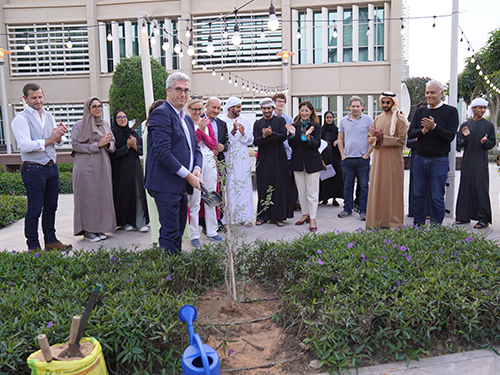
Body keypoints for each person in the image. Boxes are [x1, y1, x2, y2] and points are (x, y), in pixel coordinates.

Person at [144, 72, 203, 255]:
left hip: (181, 184)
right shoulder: (161, 114)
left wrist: (197, 168)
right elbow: (163, 153)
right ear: (168, 90)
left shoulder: (185, 118)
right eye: (178, 89)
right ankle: (168, 274)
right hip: (165, 183)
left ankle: (176, 269)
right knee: (170, 232)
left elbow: (196, 149)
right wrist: (188, 175)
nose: (183, 94)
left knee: (178, 230)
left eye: (186, 90)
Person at [10, 83, 72, 251]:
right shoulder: (20, 119)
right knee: (35, 209)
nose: (38, 101)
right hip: (33, 169)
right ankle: (33, 246)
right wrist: (51, 139)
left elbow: (57, 141)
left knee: (51, 206)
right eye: (33, 98)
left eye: (40, 97)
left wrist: (59, 136)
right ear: (25, 99)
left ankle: (51, 241)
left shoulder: (48, 115)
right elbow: (24, 145)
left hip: (52, 167)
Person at [408, 80, 459, 225]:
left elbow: (450, 136)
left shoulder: (451, 111)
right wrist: (423, 131)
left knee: (437, 197)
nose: (429, 95)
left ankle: (436, 228)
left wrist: (434, 127)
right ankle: (418, 225)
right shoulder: (420, 111)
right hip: (420, 158)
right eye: (427, 92)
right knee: (418, 195)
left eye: (432, 92)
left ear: (441, 93)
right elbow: (411, 133)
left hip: (439, 160)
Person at [71, 97, 116, 242]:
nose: (98, 109)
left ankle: (99, 228)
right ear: (88, 108)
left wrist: (108, 144)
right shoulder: (79, 125)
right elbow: (76, 146)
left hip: (102, 165)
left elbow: (113, 144)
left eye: (100, 106)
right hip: (85, 166)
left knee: (102, 195)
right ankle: (88, 230)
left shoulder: (105, 125)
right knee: (87, 197)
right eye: (94, 106)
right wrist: (97, 145)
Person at [366, 92, 408, 229]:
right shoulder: (377, 119)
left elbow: (401, 140)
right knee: (378, 188)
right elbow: (369, 137)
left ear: (393, 103)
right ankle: (377, 220)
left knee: (393, 189)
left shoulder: (400, 119)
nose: (385, 105)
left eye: (387, 102)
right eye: (383, 102)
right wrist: (377, 139)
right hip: (378, 159)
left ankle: (393, 222)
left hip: (393, 160)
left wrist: (383, 138)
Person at [186, 97, 223, 246]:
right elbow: (190, 143)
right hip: (194, 161)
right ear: (189, 109)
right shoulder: (186, 123)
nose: (198, 112)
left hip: (209, 160)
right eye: (195, 109)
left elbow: (213, 144)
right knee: (194, 199)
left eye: (200, 109)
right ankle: (194, 234)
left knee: (210, 196)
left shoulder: (207, 123)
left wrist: (203, 132)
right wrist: (199, 130)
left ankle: (212, 231)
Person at [455, 98, 495, 229]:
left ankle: (483, 218)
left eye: (484, 108)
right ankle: (463, 216)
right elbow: (459, 144)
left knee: (480, 188)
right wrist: (465, 136)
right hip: (467, 162)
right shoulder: (465, 125)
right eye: (480, 108)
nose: (483, 111)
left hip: (481, 162)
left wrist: (485, 142)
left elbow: (492, 143)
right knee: (465, 186)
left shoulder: (488, 126)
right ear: (473, 109)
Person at [285, 100, 323, 232]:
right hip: (298, 163)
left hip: (313, 163)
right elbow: (292, 144)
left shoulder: (316, 126)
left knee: (312, 193)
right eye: (302, 110)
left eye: (307, 110)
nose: (304, 113)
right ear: (299, 111)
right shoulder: (294, 125)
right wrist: (293, 134)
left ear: (311, 111)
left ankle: (312, 218)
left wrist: (308, 138)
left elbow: (316, 145)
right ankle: (305, 214)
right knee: (301, 192)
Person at [110, 110, 149, 232]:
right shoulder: (113, 134)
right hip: (120, 170)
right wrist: (127, 147)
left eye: (124, 116)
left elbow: (143, 150)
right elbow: (112, 154)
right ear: (115, 120)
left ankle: (140, 222)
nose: (122, 119)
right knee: (123, 195)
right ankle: (125, 222)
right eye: (119, 117)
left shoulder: (132, 133)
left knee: (138, 194)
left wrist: (134, 147)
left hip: (134, 168)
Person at [253, 98, 288, 226]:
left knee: (278, 186)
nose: (266, 111)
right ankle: (262, 216)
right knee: (263, 186)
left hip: (278, 157)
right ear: (261, 109)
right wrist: (264, 136)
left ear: (273, 109)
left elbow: (284, 136)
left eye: (269, 108)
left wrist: (271, 133)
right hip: (264, 159)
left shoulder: (280, 120)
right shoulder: (258, 123)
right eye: (264, 109)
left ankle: (278, 217)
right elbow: (255, 141)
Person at [337, 96, 373, 221]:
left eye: (358, 106)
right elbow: (340, 139)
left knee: (364, 186)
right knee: (347, 186)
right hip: (347, 159)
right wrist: (342, 155)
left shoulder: (368, 120)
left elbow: (373, 140)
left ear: (363, 107)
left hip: (362, 159)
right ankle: (347, 209)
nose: (355, 108)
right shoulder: (343, 121)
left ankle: (363, 210)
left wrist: (367, 155)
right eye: (353, 106)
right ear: (349, 107)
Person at [219, 97, 254, 226]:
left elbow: (250, 140)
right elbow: (226, 140)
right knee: (230, 186)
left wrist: (243, 133)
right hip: (229, 156)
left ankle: (244, 217)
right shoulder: (222, 121)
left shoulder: (244, 120)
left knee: (244, 185)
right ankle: (229, 218)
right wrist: (233, 131)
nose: (240, 109)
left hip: (243, 157)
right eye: (238, 107)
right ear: (230, 108)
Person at [272, 93, 298, 217]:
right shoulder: (269, 117)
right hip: (273, 155)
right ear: (274, 103)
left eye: (283, 101)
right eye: (278, 101)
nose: (281, 103)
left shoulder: (289, 119)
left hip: (287, 154)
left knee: (288, 183)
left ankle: (288, 207)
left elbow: (291, 136)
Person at [319, 111, 343, 207]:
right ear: (324, 119)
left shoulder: (337, 130)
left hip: (335, 157)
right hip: (325, 157)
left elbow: (342, 141)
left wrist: (339, 141)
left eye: (331, 117)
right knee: (324, 178)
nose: (329, 119)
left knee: (335, 178)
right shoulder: (321, 130)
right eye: (327, 117)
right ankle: (324, 198)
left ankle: (334, 199)